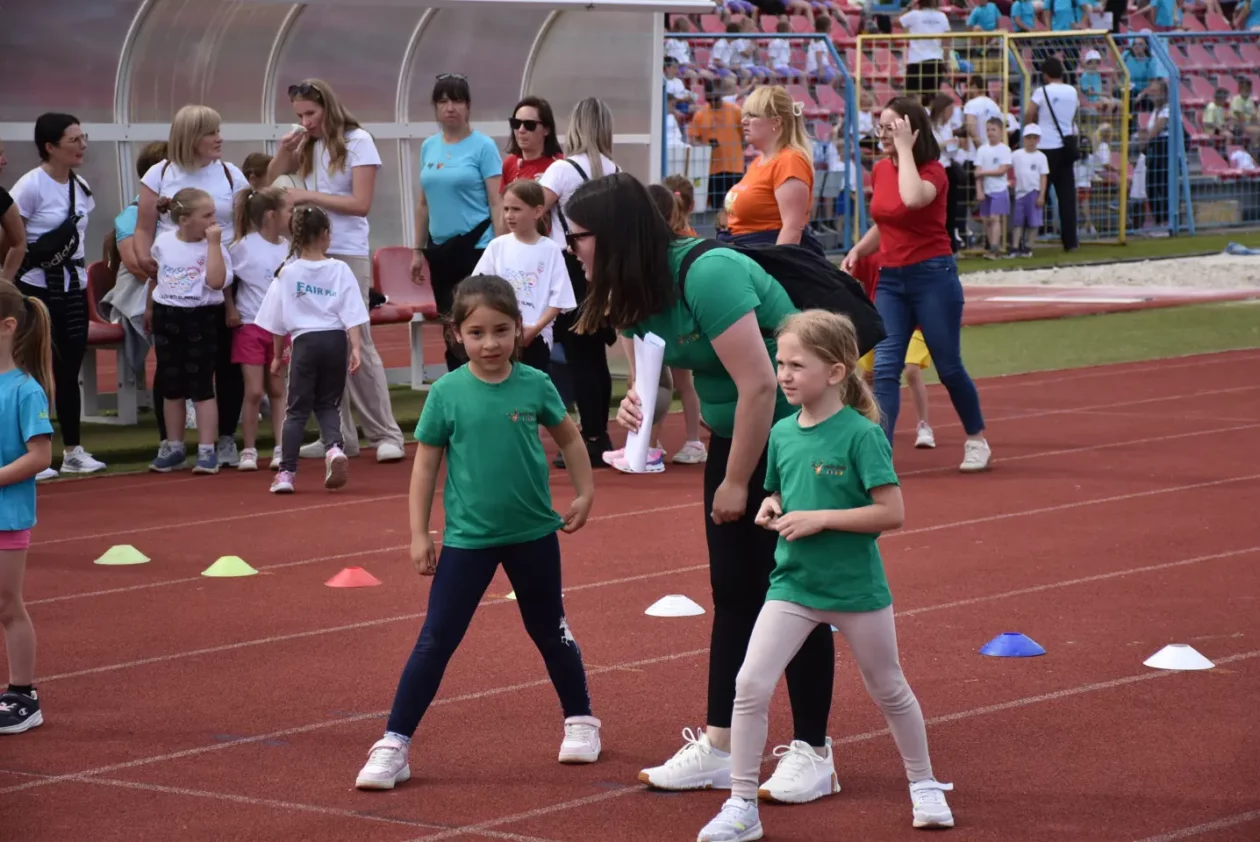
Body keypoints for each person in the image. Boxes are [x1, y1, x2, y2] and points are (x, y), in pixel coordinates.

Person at [563, 172, 839, 804]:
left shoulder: (707, 274)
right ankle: (722, 746)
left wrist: (737, 481)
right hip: (738, 436)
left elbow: (761, 384)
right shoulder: (630, 287)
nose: (571, 248)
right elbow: (651, 371)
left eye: (577, 237)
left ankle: (815, 752)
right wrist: (636, 404)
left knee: (798, 591)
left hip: (799, 441)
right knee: (734, 592)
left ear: (615, 235)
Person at [696, 310, 954, 841]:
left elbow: (891, 513)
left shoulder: (862, 436)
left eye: (797, 365)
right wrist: (771, 505)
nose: (784, 375)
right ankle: (741, 805)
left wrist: (820, 519)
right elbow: (779, 491)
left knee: (889, 689)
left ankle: (924, 783)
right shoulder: (782, 433)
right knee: (750, 684)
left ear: (836, 372)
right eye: (781, 363)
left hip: (856, 591)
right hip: (793, 586)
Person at [354, 275, 599, 791]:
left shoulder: (536, 384)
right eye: (477, 333)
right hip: (467, 541)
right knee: (436, 638)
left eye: (502, 331)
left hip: (534, 535)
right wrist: (419, 533)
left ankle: (581, 719)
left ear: (518, 329)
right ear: (456, 334)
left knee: (550, 629)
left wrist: (584, 492)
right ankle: (394, 743)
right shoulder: (446, 393)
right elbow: (424, 467)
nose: (490, 343)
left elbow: (571, 440)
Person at [841, 98, 990, 472]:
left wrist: (905, 150)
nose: (882, 134)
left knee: (948, 366)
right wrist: (859, 249)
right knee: (885, 368)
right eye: (880, 127)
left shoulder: (934, 172)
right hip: (891, 280)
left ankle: (976, 438)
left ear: (912, 131)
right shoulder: (881, 170)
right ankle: (879, 454)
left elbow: (911, 199)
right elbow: (887, 222)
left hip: (933, 277)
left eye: (891, 128)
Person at [271, 78, 406, 464]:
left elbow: (361, 203)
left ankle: (385, 434)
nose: (306, 122)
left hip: (347, 250)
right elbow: (271, 181)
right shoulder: (307, 143)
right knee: (318, 341)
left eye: (311, 113)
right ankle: (339, 437)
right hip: (308, 251)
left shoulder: (358, 141)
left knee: (356, 338)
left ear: (328, 107)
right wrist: (284, 152)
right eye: (300, 115)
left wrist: (307, 196)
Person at [135, 105, 249, 469]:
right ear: (190, 137)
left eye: (218, 130)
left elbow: (246, 225)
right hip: (173, 283)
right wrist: (144, 259)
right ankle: (170, 442)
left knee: (225, 361)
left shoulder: (231, 174)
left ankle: (223, 438)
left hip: (221, 279)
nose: (219, 138)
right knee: (169, 367)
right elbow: (144, 227)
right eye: (210, 132)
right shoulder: (159, 173)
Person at [7, 113, 106, 478]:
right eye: (73, 140)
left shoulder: (80, 186)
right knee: (31, 368)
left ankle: (73, 451)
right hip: (35, 286)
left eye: (83, 137)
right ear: (49, 147)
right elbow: (11, 237)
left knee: (69, 367)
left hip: (73, 285)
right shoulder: (29, 186)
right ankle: (26, 455)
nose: (82, 146)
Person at [254, 206, 366, 494]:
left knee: (297, 411)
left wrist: (277, 356)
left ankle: (286, 473)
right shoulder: (340, 269)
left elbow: (276, 322)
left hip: (305, 342)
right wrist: (356, 347)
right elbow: (352, 312)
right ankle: (334, 448)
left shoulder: (287, 273)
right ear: (326, 235)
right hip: (335, 340)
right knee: (328, 403)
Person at [411, 73, 505, 375]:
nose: (450, 107)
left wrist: (501, 248)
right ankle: (457, 384)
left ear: (468, 106)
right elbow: (423, 203)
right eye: (442, 101)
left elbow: (496, 201)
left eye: (457, 101)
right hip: (440, 250)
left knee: (476, 320)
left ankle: (486, 378)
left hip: (476, 247)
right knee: (450, 325)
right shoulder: (429, 147)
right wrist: (417, 250)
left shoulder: (483, 146)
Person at [145, 188, 233, 474]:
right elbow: (156, 277)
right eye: (206, 216)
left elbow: (217, 281)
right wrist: (149, 309)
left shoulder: (215, 247)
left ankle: (207, 449)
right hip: (167, 314)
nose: (213, 221)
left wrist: (214, 244)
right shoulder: (163, 242)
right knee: (170, 384)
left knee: (201, 385)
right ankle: (174, 447)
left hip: (201, 317)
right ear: (184, 220)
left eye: (214, 214)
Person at [0, 283, 54, 735]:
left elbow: (40, 456)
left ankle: (22, 695)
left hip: (7, 516)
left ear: (7, 326)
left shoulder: (25, 390)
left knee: (6, 604)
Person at [470, 180, 574, 375]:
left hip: (536, 338)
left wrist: (535, 329)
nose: (509, 215)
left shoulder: (550, 250)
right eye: (506, 209)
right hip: (500, 335)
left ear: (537, 211)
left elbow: (559, 299)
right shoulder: (497, 247)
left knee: (530, 388)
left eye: (516, 209)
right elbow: (478, 287)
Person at [228, 187, 292, 471]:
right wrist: (230, 308)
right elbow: (226, 280)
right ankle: (249, 449)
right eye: (288, 211)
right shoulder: (242, 247)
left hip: (279, 329)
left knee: (277, 388)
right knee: (254, 391)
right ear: (270, 215)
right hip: (250, 325)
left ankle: (281, 446)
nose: (292, 216)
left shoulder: (288, 248)